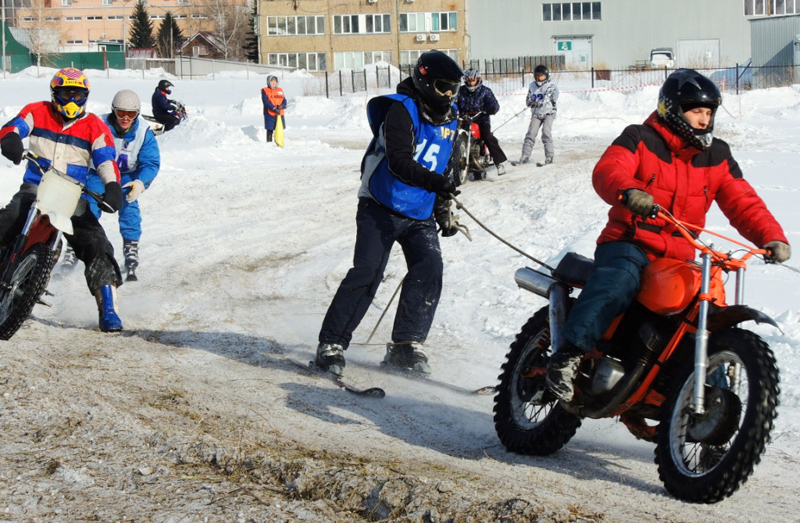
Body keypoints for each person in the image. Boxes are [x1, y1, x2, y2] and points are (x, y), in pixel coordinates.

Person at [545, 68, 791, 401]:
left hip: (679, 255)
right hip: (629, 241)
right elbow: (609, 169)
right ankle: (568, 355)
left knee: (707, 306)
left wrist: (771, 237)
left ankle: (701, 395)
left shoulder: (716, 155)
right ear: (671, 109)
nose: (704, 119)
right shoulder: (640, 138)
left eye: (708, 112)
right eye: (696, 111)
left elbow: (743, 202)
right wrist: (629, 191)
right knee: (619, 280)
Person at [315, 50, 464, 377]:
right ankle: (332, 343)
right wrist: (436, 182)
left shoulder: (452, 120)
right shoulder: (401, 110)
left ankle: (406, 346)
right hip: (380, 204)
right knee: (368, 272)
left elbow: (445, 168)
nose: (450, 95)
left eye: (455, 87)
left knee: (430, 266)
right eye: (443, 86)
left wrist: (443, 211)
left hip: (419, 212)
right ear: (425, 81)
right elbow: (399, 162)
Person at [0, 67, 125, 332]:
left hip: (71, 194)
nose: (71, 101)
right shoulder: (37, 110)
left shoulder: (96, 127)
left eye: (77, 95)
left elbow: (106, 161)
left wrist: (112, 187)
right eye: (66, 93)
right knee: (10, 217)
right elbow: (14, 127)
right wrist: (10, 139)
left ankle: (109, 308)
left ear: (86, 97)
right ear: (54, 93)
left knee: (96, 242)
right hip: (35, 186)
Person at [86, 89, 161, 282]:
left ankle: (131, 247)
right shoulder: (99, 125)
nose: (126, 118)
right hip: (99, 173)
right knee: (88, 205)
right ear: (113, 111)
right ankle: (76, 244)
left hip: (127, 176)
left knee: (129, 207)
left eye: (131, 114)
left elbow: (151, 163)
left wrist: (140, 183)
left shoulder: (144, 134)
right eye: (121, 113)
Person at [456, 68, 508, 176]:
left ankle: (499, 163)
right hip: (464, 119)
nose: (471, 83)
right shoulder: (460, 91)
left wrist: (490, 109)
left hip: (481, 119)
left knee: (487, 136)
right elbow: (454, 103)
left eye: (473, 80)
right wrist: (452, 109)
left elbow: (494, 105)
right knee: (453, 136)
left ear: (478, 79)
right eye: (469, 81)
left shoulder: (485, 91)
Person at [519, 64, 559, 166]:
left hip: (548, 113)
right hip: (537, 114)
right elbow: (528, 98)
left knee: (546, 132)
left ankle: (549, 156)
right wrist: (530, 102)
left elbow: (548, 98)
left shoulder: (551, 86)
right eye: (537, 75)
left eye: (541, 76)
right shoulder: (532, 86)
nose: (539, 78)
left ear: (546, 76)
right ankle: (525, 156)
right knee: (531, 133)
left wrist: (538, 103)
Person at [261, 75, 286, 143]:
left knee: (279, 128)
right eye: (272, 81)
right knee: (270, 129)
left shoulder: (280, 90)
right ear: (269, 82)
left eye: (275, 81)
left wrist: (282, 106)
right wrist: (274, 108)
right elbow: (265, 102)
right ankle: (269, 143)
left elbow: (284, 100)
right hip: (270, 113)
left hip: (279, 113)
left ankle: (278, 142)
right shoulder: (265, 91)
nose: (274, 82)